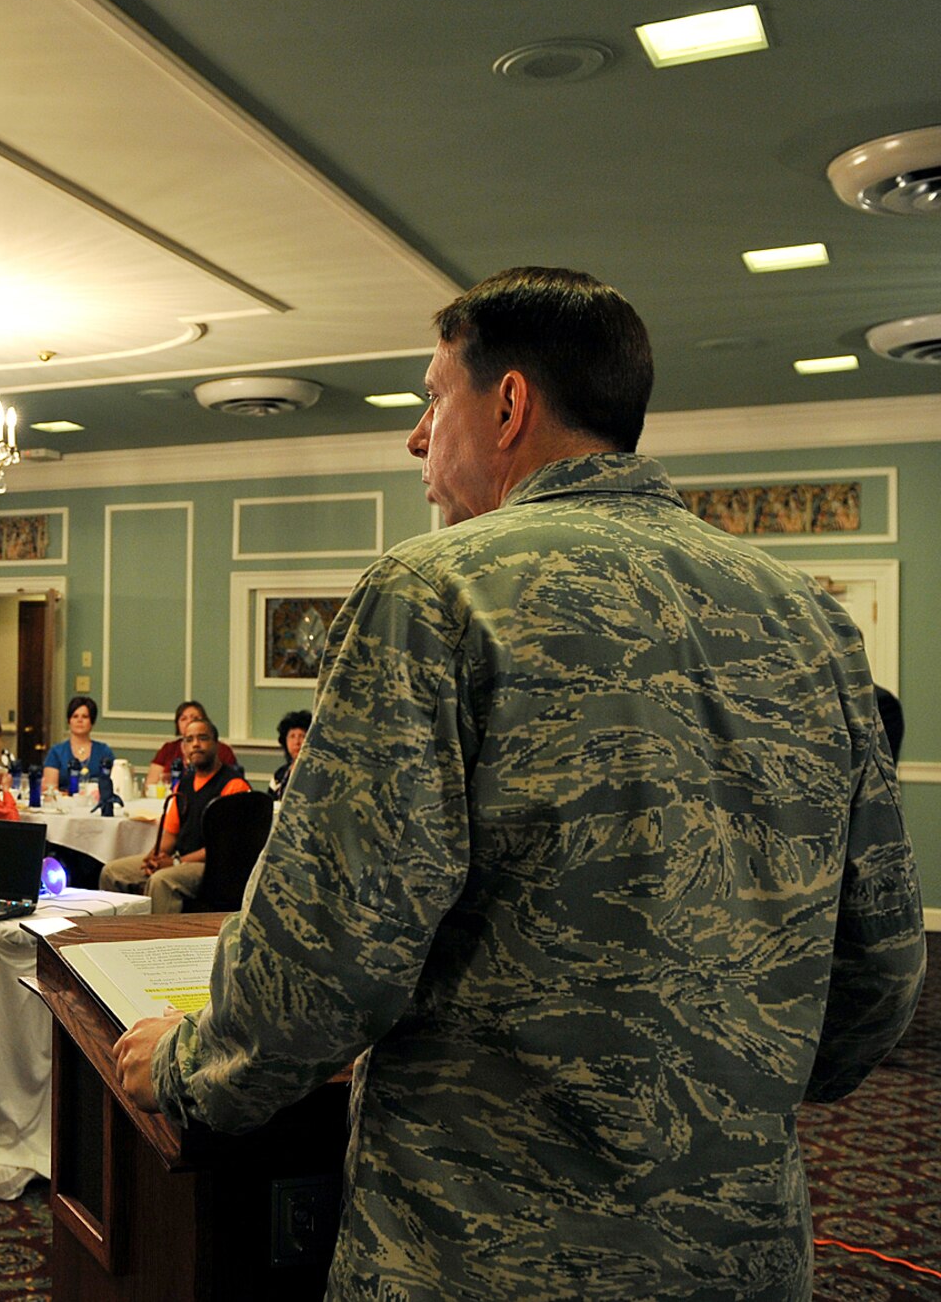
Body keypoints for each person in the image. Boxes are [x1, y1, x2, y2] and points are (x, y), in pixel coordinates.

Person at [111, 267, 927, 1300]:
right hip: (739, 1250)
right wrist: (718, 1103)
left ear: (506, 406)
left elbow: (329, 952)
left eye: (429, 396)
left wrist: (190, 1071)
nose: (414, 436)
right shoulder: (808, 621)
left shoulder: (431, 593)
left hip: (482, 1249)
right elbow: (880, 965)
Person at [101, 718, 249, 912]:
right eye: (189, 740)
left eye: (202, 738)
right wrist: (153, 857)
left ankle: (158, 939)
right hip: (182, 859)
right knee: (111, 872)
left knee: (161, 881)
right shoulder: (183, 785)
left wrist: (176, 862)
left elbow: (222, 846)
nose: (195, 744)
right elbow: (171, 835)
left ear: (216, 744)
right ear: (183, 747)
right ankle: (117, 935)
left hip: (214, 867)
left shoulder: (234, 785)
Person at [144, 700, 240, 789]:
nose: (189, 722)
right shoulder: (168, 748)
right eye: (183, 719)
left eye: (195, 718)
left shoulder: (222, 750)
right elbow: (150, 784)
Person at [40, 695, 115, 799]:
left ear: (91, 722)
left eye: (85, 717)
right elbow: (49, 790)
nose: (79, 720)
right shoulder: (56, 752)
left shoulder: (104, 751)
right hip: (63, 806)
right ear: (69, 721)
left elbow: (113, 785)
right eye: (75, 716)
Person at [268, 708, 311, 800]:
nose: (297, 742)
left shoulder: (316, 773)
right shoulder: (280, 774)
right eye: (292, 736)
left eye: (302, 736)